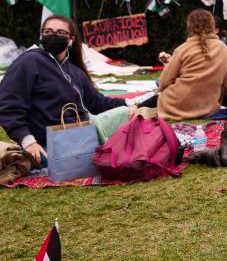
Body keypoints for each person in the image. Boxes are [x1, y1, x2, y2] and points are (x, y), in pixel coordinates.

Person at [0, 15, 134, 165]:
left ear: (71, 40)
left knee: (130, 116)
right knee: (116, 153)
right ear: (41, 35)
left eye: (61, 33)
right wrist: (28, 142)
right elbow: (8, 105)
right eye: (48, 32)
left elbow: (95, 102)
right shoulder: (29, 61)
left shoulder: (74, 71)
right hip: (50, 144)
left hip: (82, 133)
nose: (54, 36)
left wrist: (127, 103)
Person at [156, 10, 227, 121]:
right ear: (212, 25)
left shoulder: (182, 49)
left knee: (156, 91)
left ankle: (136, 108)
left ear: (189, 27)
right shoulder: (223, 49)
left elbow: (164, 83)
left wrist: (168, 65)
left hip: (173, 107)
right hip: (206, 110)